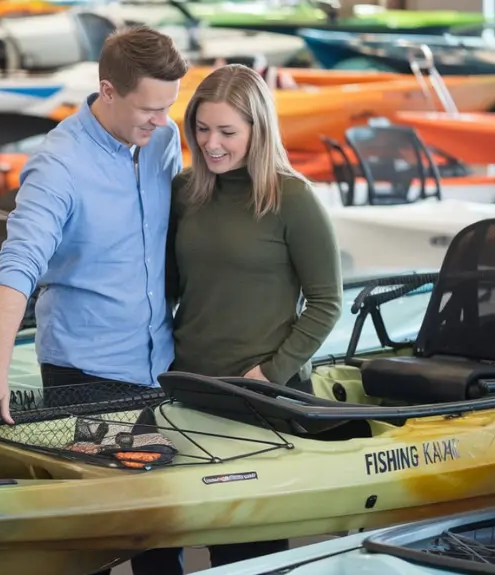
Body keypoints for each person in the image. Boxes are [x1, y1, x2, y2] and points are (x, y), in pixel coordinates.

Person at [0, 24, 189, 575]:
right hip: (85, 370)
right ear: (108, 91)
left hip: (158, 364)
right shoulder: (57, 166)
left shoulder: (162, 140)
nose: (162, 120)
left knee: (159, 532)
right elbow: (18, 266)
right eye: (149, 108)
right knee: (93, 540)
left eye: (168, 107)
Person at [166, 63, 344, 567]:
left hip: (261, 394)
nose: (211, 144)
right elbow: (168, 289)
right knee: (183, 527)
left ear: (258, 130)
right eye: (201, 129)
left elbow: (327, 302)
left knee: (245, 551)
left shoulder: (293, 198)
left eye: (227, 132)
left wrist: (269, 375)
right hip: (191, 387)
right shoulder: (186, 193)